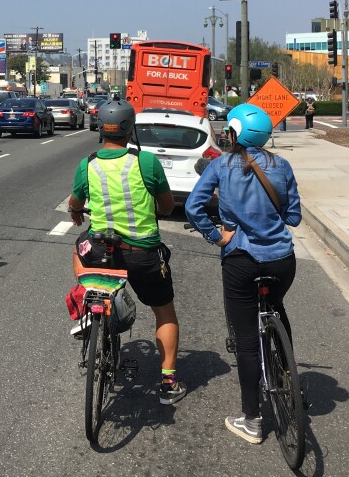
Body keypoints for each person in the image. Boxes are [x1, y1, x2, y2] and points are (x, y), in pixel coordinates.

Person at [184, 104, 302, 444]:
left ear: (233, 132)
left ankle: (252, 419)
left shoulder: (221, 166)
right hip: (282, 259)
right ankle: (288, 375)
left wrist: (218, 235)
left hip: (241, 260)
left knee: (247, 341)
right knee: (277, 306)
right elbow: (293, 217)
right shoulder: (282, 165)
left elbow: (193, 207)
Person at [67, 96, 186, 405]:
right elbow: (167, 205)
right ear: (130, 128)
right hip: (144, 254)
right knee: (164, 312)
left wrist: (77, 213)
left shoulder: (88, 164)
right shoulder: (146, 162)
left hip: (102, 253)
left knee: (77, 249)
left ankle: (87, 305)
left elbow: (75, 202)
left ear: (100, 129)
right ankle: (169, 382)